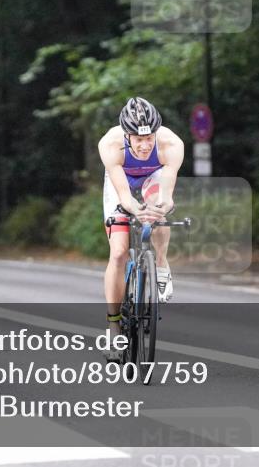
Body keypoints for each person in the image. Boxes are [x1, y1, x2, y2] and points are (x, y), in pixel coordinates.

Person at [97, 97, 184, 361]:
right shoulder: (110, 144)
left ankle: (161, 263)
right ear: (127, 135)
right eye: (138, 139)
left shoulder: (171, 144)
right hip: (121, 182)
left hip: (153, 178)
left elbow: (167, 194)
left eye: (149, 138)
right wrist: (135, 210)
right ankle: (114, 326)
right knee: (119, 252)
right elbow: (124, 197)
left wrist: (161, 206)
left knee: (158, 209)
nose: (145, 145)